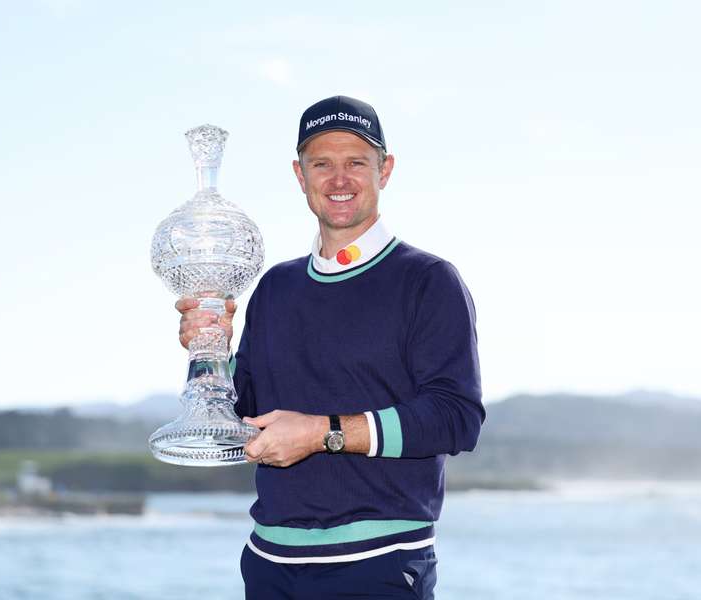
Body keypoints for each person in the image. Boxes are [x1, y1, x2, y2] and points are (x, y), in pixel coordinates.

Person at [176, 95, 485, 599]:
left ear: (384, 170)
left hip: (379, 562)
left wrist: (324, 433)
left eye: (355, 163)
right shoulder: (275, 287)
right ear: (300, 175)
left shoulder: (428, 281)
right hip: (268, 563)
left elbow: (456, 417)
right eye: (322, 164)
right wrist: (208, 354)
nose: (339, 179)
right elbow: (243, 419)